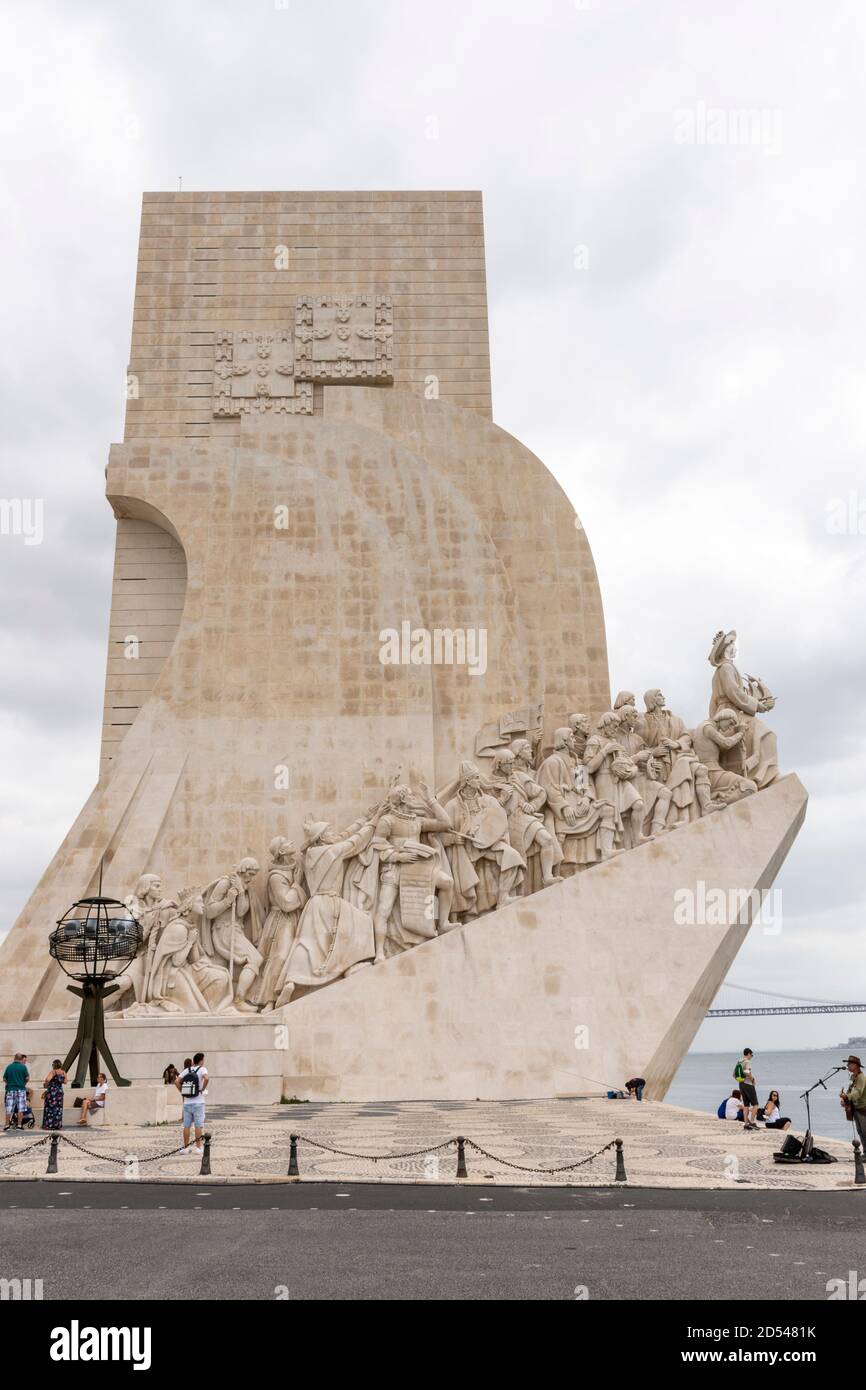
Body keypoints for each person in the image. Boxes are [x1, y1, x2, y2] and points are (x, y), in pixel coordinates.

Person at [176, 1052, 208, 1156]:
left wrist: (182, 1091)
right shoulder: (203, 1069)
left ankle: (185, 1148)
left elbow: (177, 1081)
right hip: (198, 1102)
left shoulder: (187, 1070)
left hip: (187, 1102)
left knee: (186, 1125)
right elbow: (206, 1078)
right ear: (201, 1060)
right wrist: (202, 1089)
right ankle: (199, 1147)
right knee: (198, 1125)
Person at [840, 1054, 866, 1155]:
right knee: (860, 1132)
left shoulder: (861, 1078)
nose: (848, 1065)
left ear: (856, 1065)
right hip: (857, 1109)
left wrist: (847, 1097)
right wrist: (845, 1100)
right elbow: (851, 1091)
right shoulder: (854, 1077)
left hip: (863, 1109)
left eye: (850, 1064)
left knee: (865, 1132)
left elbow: (858, 1092)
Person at [3, 1052, 30, 1132]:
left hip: (10, 1090)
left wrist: (9, 1083)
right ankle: (19, 1125)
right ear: (21, 1059)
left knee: (9, 1108)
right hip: (21, 1089)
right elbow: (27, 1078)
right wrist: (23, 1084)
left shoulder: (9, 1067)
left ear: (14, 1058)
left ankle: (7, 1125)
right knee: (20, 1108)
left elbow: (4, 1078)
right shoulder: (23, 1067)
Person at [733, 1049, 759, 1130]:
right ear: (748, 1054)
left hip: (741, 1085)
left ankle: (746, 1124)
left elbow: (733, 1075)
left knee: (746, 1105)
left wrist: (741, 1080)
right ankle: (752, 1122)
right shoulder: (747, 1062)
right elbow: (748, 1072)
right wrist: (753, 1080)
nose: (751, 1056)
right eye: (751, 1055)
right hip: (748, 1085)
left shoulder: (739, 1061)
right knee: (755, 1105)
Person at [41, 1059, 66, 1130]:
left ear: (54, 1065)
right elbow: (65, 1081)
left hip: (52, 1092)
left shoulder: (53, 1072)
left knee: (50, 1108)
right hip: (59, 1092)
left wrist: (46, 1084)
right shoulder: (63, 1072)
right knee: (58, 1108)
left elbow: (48, 1079)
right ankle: (57, 1125)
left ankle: (49, 1125)